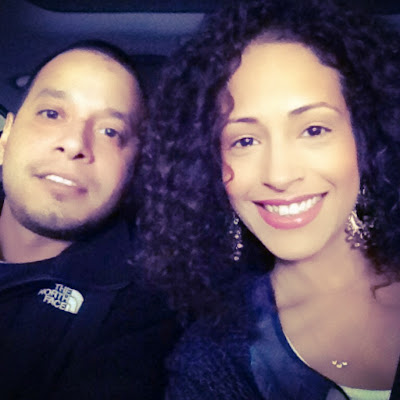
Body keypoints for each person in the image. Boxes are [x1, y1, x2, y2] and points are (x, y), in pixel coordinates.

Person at [138, 0, 400, 398]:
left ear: (365, 134)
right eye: (244, 140)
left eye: (314, 130)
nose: (279, 176)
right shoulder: (214, 360)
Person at [0, 41, 179, 399]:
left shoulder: (140, 313)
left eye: (110, 131)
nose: (74, 143)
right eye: (51, 113)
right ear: (5, 138)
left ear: (132, 169)